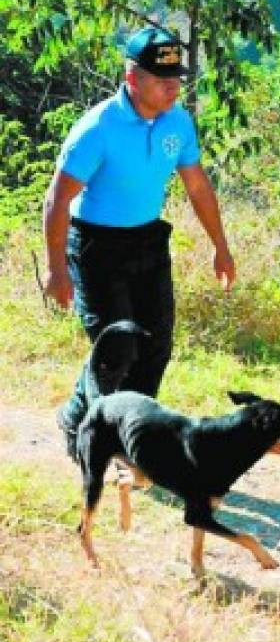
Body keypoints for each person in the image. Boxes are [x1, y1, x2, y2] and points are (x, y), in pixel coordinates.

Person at [44, 27, 236, 455]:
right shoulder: (98, 129)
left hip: (148, 241)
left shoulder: (178, 122)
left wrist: (220, 246)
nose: (173, 87)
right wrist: (58, 270)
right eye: (161, 78)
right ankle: (79, 421)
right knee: (117, 348)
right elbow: (57, 200)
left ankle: (138, 440)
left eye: (177, 78)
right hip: (97, 246)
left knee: (155, 345)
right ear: (132, 78)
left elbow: (198, 187)